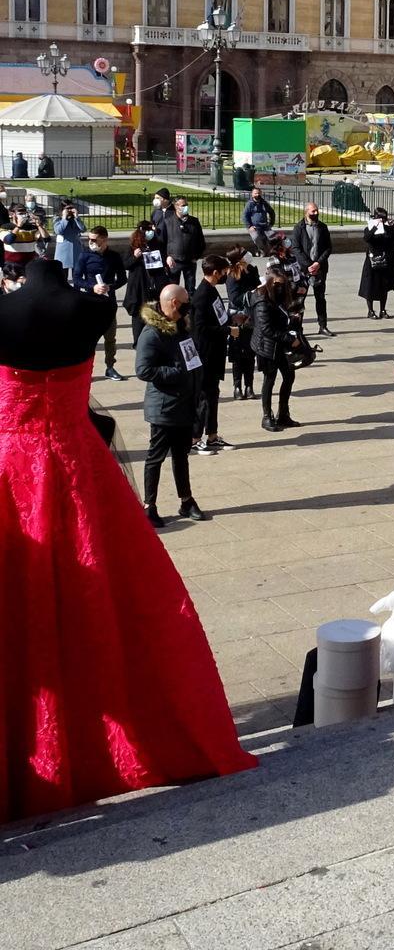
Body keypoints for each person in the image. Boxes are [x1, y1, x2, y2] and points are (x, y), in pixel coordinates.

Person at [0, 260, 254, 821]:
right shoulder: (90, 309)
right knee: (108, 602)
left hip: (12, 470)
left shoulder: (40, 309)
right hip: (77, 468)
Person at [136, 283, 211, 526]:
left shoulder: (180, 328)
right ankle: (149, 505)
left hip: (184, 403)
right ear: (174, 303)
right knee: (155, 457)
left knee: (181, 456)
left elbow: (191, 359)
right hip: (164, 407)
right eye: (186, 301)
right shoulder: (152, 333)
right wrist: (177, 372)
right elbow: (143, 370)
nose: (189, 306)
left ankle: (186, 500)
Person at [189, 254, 233, 455]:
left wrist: (231, 320)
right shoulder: (201, 296)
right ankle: (194, 438)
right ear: (215, 273)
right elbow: (200, 328)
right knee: (204, 397)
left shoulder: (212, 291)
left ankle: (212, 435)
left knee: (213, 395)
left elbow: (218, 318)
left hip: (215, 353)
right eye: (224, 272)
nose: (226, 275)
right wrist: (227, 331)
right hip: (205, 354)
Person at [74, 225, 128, 380]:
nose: (90, 242)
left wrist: (110, 287)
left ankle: (110, 367)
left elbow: (123, 279)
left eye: (94, 239)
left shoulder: (114, 256)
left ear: (104, 240)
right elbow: (77, 279)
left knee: (110, 337)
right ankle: (83, 368)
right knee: (87, 338)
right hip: (90, 302)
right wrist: (93, 287)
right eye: (89, 239)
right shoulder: (85, 256)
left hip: (108, 302)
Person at [250, 268, 301, 431]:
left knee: (289, 375)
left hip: (279, 345)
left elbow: (281, 315)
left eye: (283, 284)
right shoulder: (261, 298)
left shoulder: (277, 296)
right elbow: (265, 328)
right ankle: (267, 416)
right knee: (269, 379)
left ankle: (283, 414)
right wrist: (289, 339)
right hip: (267, 346)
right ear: (270, 282)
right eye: (278, 284)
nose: (281, 287)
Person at [290, 201, 334, 336]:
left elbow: (328, 247)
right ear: (306, 212)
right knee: (299, 301)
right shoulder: (299, 228)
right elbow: (296, 248)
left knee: (320, 298)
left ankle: (323, 325)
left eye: (316, 211)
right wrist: (308, 265)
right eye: (313, 211)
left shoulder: (322, 227)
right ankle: (297, 329)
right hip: (304, 270)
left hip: (319, 268)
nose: (316, 213)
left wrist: (318, 263)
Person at [123, 219, 170, 345]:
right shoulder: (133, 246)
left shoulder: (157, 244)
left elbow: (163, 260)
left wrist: (167, 261)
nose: (151, 233)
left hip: (155, 285)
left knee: (155, 314)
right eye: (148, 230)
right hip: (140, 287)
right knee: (139, 317)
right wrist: (135, 257)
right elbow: (126, 264)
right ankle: (138, 342)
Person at [225, 246, 260, 399]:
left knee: (250, 353)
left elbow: (258, 286)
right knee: (238, 354)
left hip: (251, 316)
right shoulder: (232, 275)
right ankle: (237, 386)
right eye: (244, 253)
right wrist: (251, 295)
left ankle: (249, 386)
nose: (248, 255)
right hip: (237, 318)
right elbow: (234, 298)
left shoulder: (251, 270)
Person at [359, 206, 394, 318]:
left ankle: (383, 310)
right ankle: (370, 310)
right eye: (380, 218)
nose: (382, 220)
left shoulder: (388, 228)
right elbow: (367, 238)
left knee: (384, 286)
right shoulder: (369, 227)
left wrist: (392, 226)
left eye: (384, 218)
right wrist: (374, 227)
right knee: (370, 285)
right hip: (373, 261)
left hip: (385, 260)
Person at [164, 195, 206, 293]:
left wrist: (197, 256)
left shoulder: (194, 221)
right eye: (183, 205)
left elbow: (201, 241)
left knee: (190, 289)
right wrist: (167, 256)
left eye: (186, 205)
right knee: (173, 289)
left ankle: (190, 307)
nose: (185, 207)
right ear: (176, 206)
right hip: (174, 262)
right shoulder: (168, 222)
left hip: (190, 261)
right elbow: (163, 242)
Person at [3, 205, 42, 277]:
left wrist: (39, 225)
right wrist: (18, 226)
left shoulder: (32, 228)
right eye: (20, 213)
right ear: (13, 214)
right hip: (12, 265)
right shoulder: (5, 227)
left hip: (29, 264)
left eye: (24, 213)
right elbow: (8, 240)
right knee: (14, 286)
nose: (23, 216)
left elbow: (46, 239)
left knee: (29, 287)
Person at [52, 201, 86, 279]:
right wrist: (64, 218)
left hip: (76, 249)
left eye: (72, 208)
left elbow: (83, 229)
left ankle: (76, 290)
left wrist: (77, 217)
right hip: (63, 250)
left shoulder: (75, 218)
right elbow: (58, 231)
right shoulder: (57, 218)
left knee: (77, 276)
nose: (70, 210)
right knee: (63, 277)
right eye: (68, 208)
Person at [242, 184, 275, 254]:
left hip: (265, 226)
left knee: (273, 237)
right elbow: (245, 216)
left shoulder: (264, 203)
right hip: (254, 227)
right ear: (252, 194)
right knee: (256, 237)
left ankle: (273, 251)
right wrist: (249, 226)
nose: (257, 195)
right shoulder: (249, 204)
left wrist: (271, 223)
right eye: (255, 193)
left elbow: (272, 212)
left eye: (259, 193)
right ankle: (262, 250)